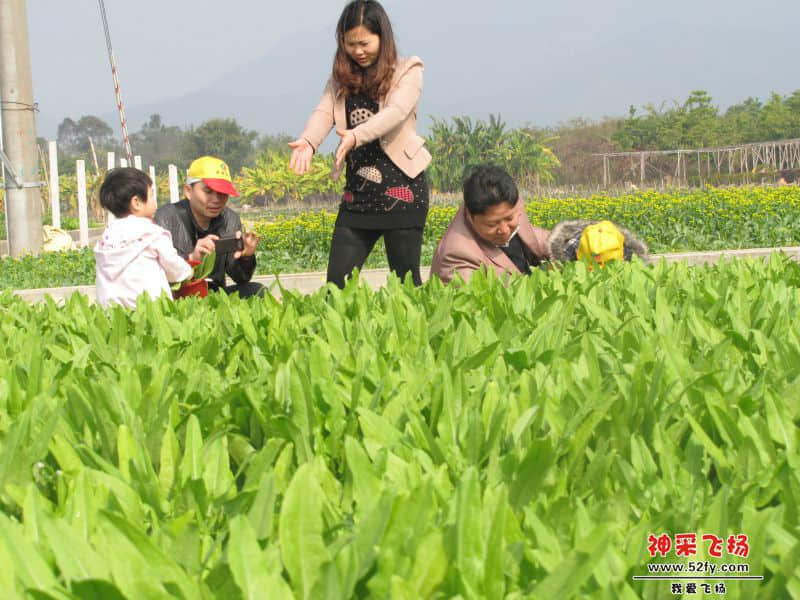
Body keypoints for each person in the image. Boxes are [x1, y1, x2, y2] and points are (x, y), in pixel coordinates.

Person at [288, 0, 432, 288]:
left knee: (406, 284)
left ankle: (419, 333)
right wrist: (308, 140)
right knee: (336, 286)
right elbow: (324, 111)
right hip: (358, 195)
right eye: (350, 44)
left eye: (365, 43)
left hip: (402, 190)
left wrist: (356, 135)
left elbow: (395, 113)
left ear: (383, 37)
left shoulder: (408, 70)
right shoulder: (341, 78)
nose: (358, 51)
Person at [154, 156, 263, 298]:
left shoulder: (230, 219)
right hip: (178, 296)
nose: (216, 200)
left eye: (222, 193)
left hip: (214, 295)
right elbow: (159, 272)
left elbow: (241, 278)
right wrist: (192, 257)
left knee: (257, 291)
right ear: (188, 191)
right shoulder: (167, 218)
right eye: (208, 191)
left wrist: (246, 257)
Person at [431, 165, 551, 284]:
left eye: (509, 218)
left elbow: (537, 237)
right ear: (470, 216)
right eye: (492, 225)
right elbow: (470, 299)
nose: (504, 230)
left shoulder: (509, 204)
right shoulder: (456, 255)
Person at [94, 167, 193, 308]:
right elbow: (173, 267)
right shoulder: (152, 233)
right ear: (136, 203)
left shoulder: (107, 238)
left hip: (112, 311)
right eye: (152, 195)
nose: (154, 200)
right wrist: (188, 272)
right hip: (148, 310)